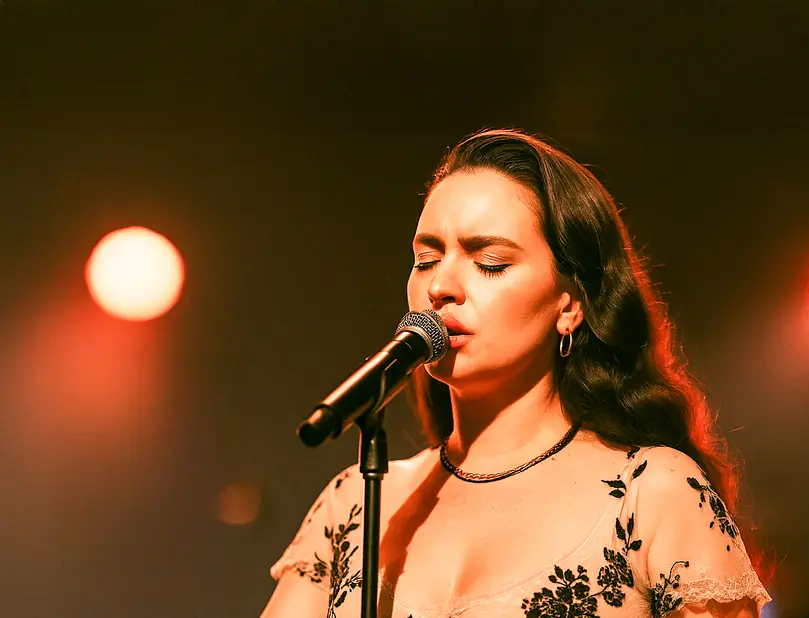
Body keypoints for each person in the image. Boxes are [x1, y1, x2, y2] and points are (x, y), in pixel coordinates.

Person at [259, 129, 773, 618]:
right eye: (425, 259)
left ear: (569, 305)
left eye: (490, 262)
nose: (442, 285)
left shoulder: (650, 491)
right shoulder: (356, 503)